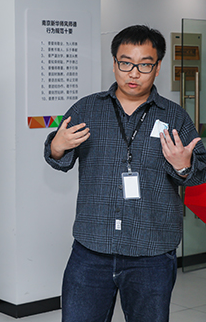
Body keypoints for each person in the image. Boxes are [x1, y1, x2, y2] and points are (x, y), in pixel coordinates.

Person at [44, 25, 206, 322]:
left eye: (144, 65)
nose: (134, 73)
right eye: (126, 63)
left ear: (157, 67)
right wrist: (56, 147)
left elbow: (198, 174)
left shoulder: (174, 116)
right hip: (92, 247)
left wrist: (183, 165)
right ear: (114, 63)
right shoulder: (87, 109)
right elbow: (59, 159)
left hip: (152, 251)